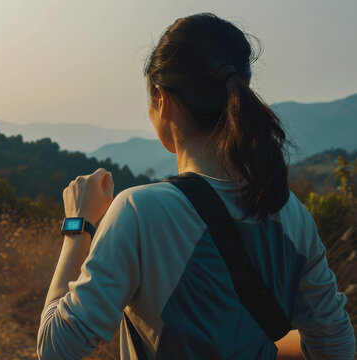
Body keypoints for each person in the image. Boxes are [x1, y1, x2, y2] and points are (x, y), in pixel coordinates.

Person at [36, 13, 355, 360]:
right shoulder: (292, 215)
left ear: (161, 99)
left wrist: (79, 225)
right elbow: (336, 348)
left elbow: (54, 348)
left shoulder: (141, 212)